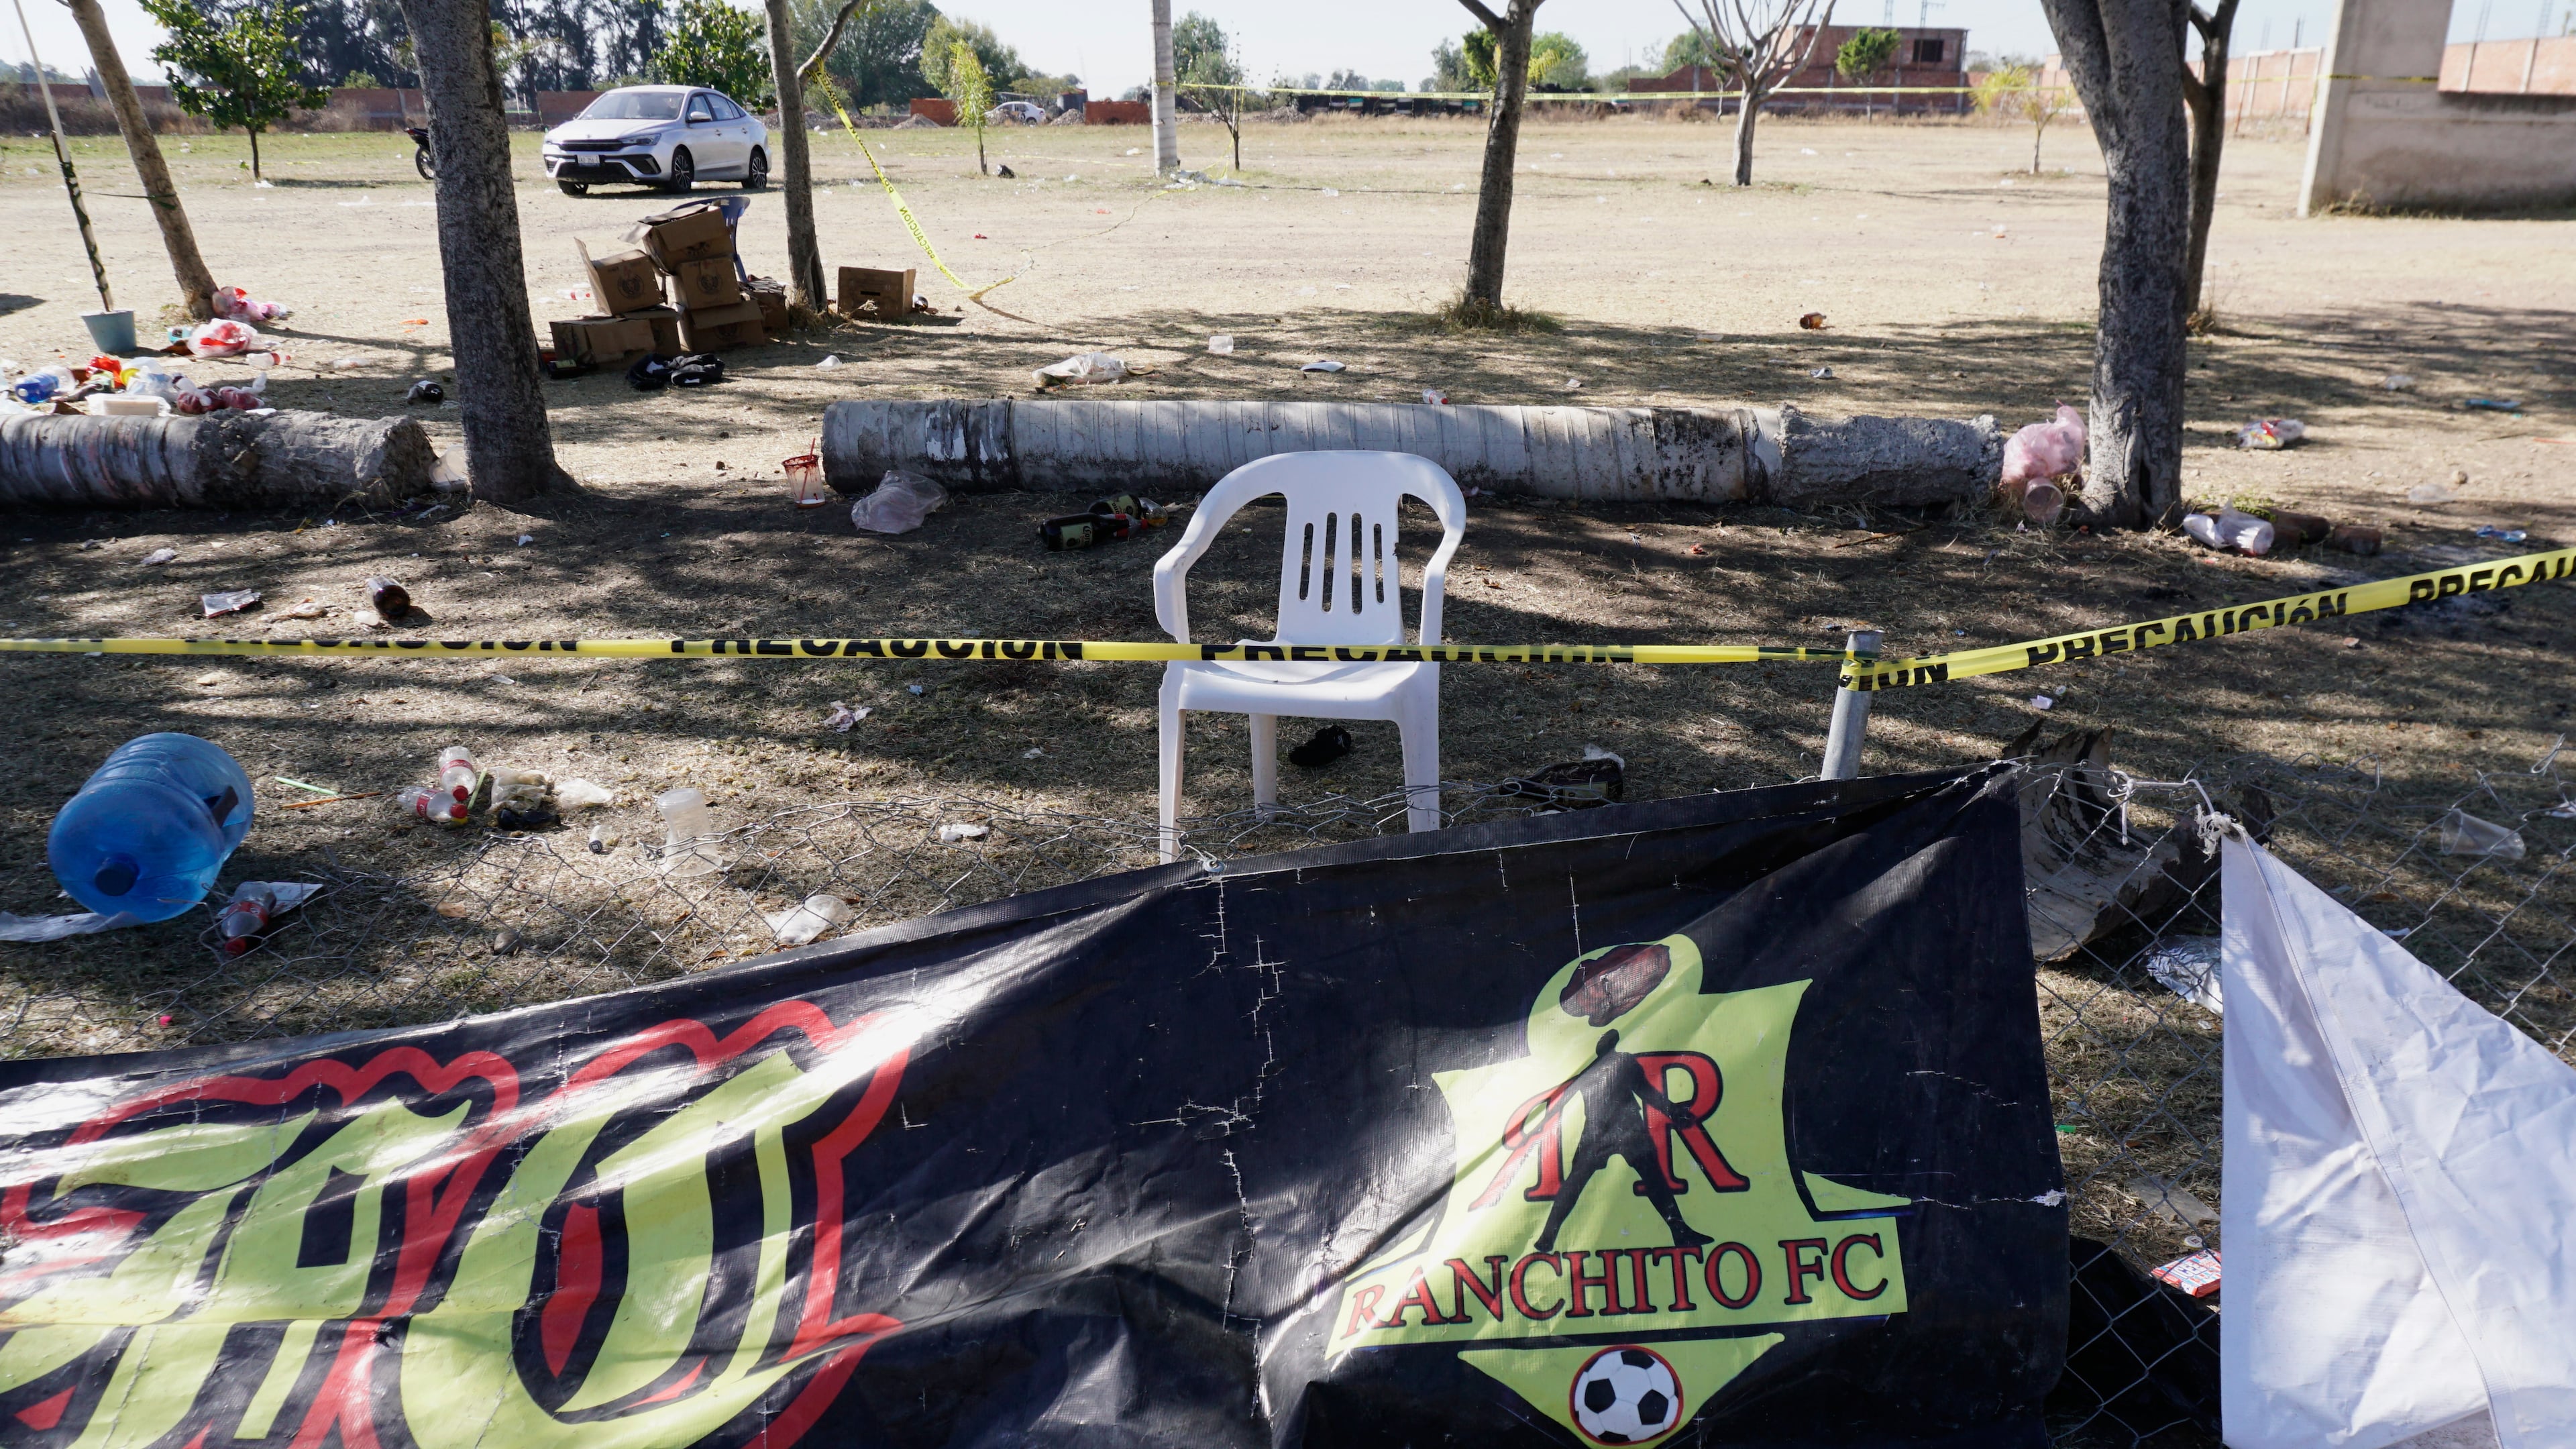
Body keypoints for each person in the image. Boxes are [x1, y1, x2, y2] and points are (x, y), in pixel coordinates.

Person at [1532, 1029, 1713, 1252]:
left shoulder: (1620, 1062)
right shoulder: (1589, 1067)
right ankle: (1547, 1237)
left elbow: (1645, 1091)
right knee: (1576, 1183)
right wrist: (1543, 1123)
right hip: (1600, 1129)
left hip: (1624, 1127)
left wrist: (1673, 1111)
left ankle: (1680, 1231)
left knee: (1653, 1177)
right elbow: (1563, 1098)